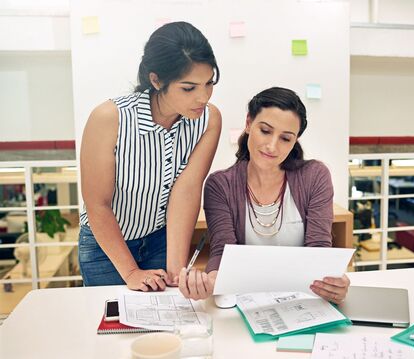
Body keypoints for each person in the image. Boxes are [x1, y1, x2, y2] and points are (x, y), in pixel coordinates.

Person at [78, 22, 222, 291]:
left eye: (209, 83)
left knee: (165, 321)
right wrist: (131, 271)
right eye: (189, 88)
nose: (202, 97)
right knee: (112, 329)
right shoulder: (110, 118)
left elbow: (187, 191)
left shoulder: (208, 120)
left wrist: (177, 271)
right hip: (106, 247)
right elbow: (97, 203)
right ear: (156, 81)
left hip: (161, 240)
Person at [178, 87, 350, 303]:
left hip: (301, 302)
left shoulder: (315, 176)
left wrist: (333, 284)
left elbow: (319, 249)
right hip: (246, 302)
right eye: (266, 131)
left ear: (295, 140)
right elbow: (222, 251)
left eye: (285, 138)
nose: (272, 146)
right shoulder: (220, 185)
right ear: (249, 123)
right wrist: (211, 282)